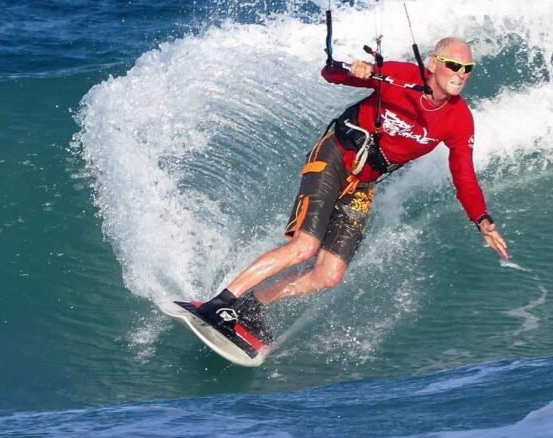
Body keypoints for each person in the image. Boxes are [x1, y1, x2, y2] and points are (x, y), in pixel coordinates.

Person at [189, 37, 509, 356]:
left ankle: (251, 305)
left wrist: (481, 218)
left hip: (362, 183)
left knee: (329, 275)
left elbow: (464, 173)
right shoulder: (400, 76)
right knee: (305, 246)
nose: (461, 73)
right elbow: (330, 74)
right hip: (335, 157)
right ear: (433, 64)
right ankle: (221, 303)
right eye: (454, 65)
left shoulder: (459, 118)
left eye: (468, 68)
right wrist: (354, 71)